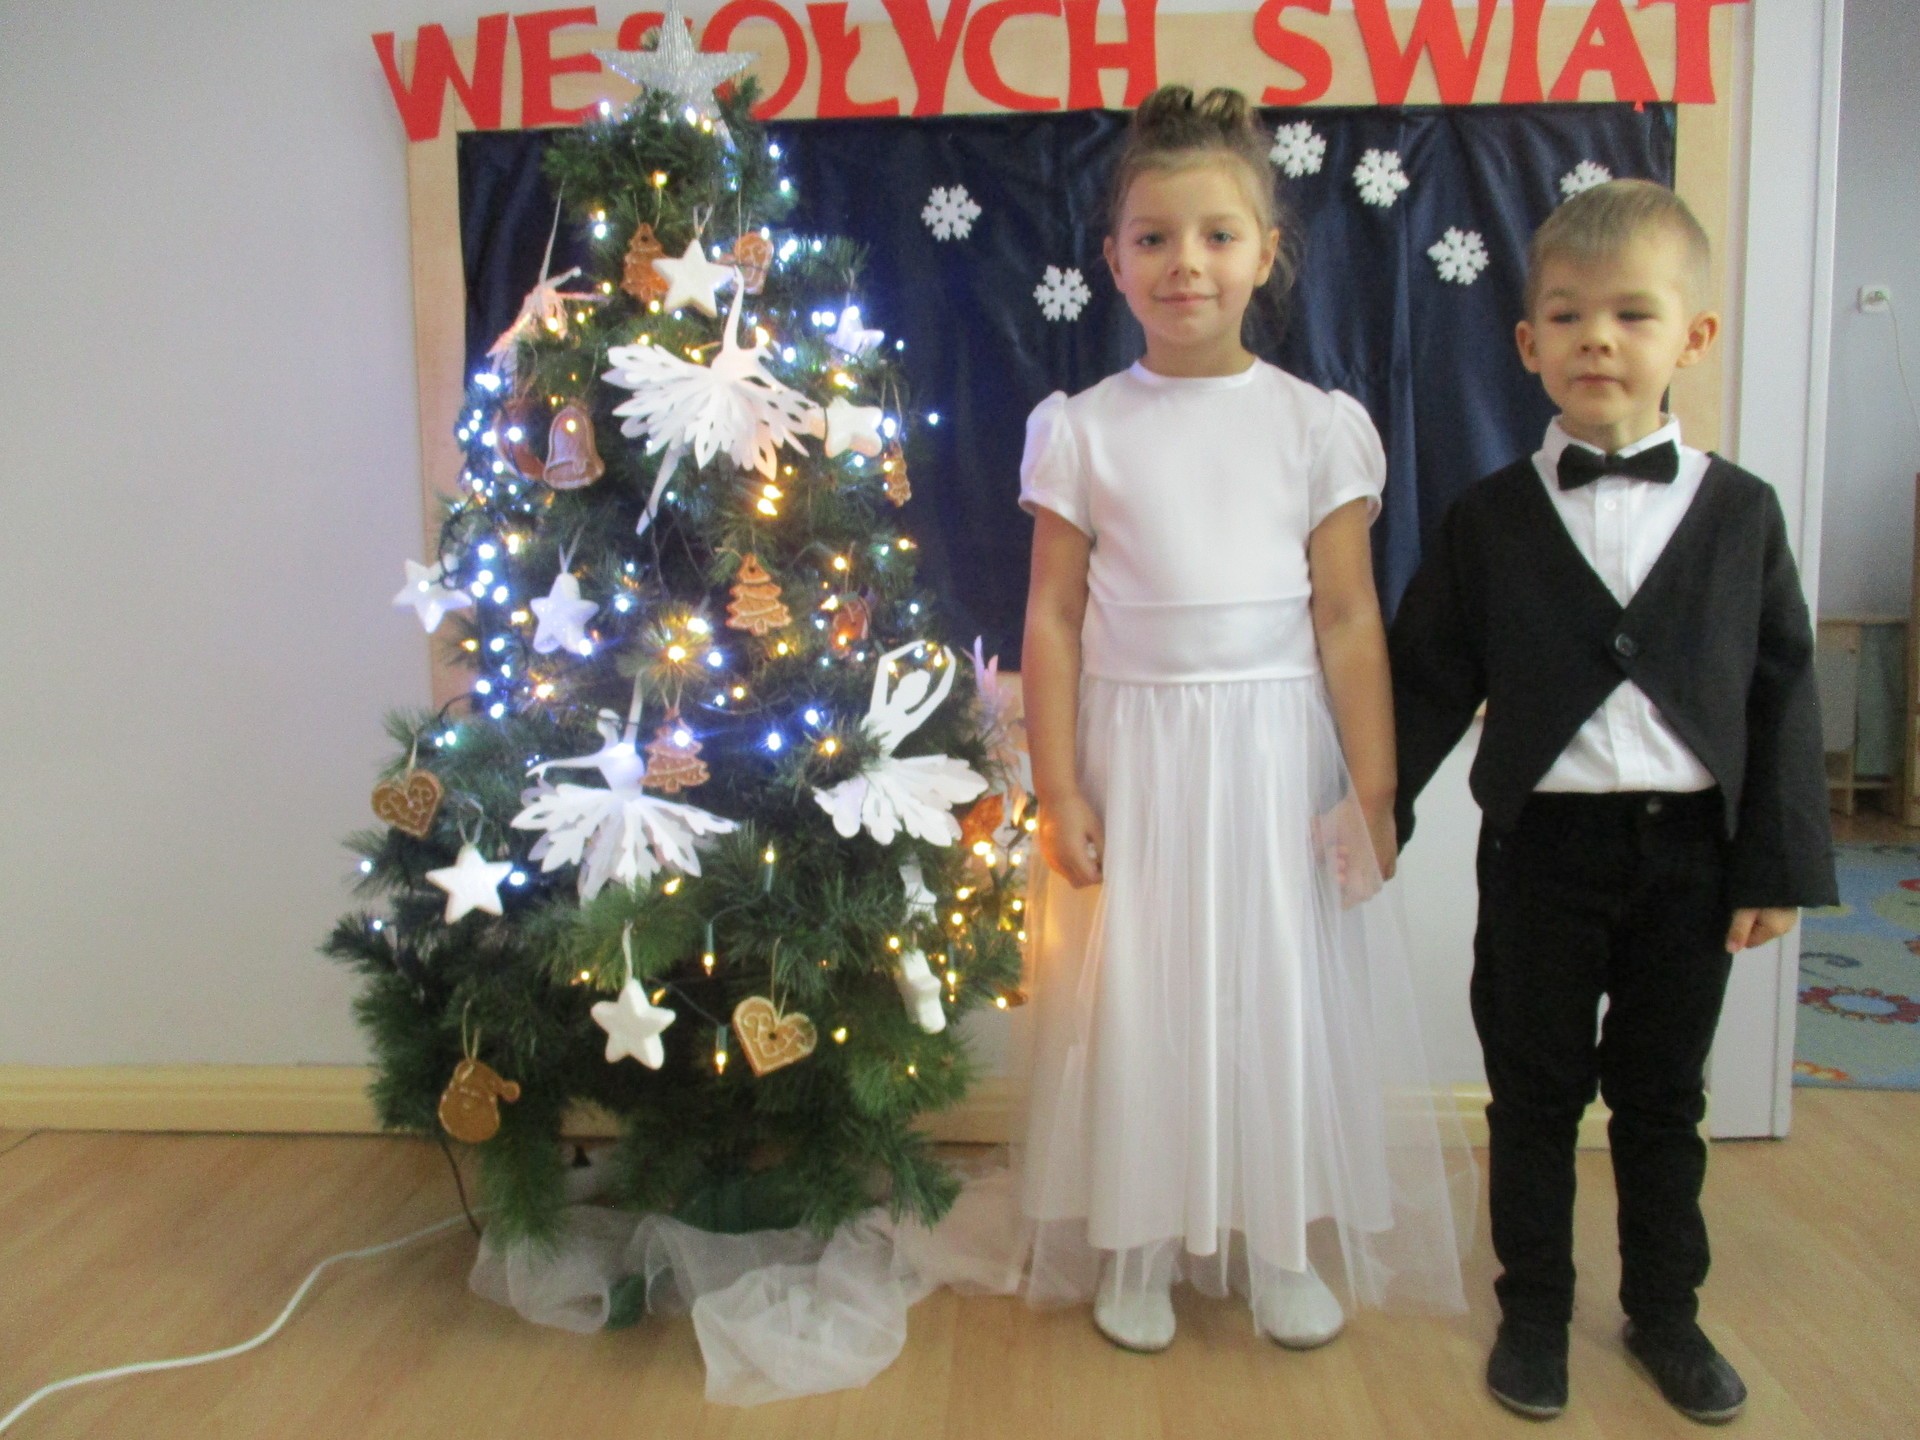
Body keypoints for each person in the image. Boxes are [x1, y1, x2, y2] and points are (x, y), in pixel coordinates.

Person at [1017, 84, 1469, 1356]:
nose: (1186, 263)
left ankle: (1278, 1243)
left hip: (1274, 759)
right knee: (1141, 1000)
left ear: (1267, 252)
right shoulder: (1083, 431)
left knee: (1273, 995)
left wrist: (1372, 792)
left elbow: (1349, 620)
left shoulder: (1316, 427)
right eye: (1154, 237)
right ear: (1113, 259)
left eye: (1218, 235)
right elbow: (1052, 617)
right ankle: (1139, 1243)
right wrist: (1060, 788)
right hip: (1137, 760)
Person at [1390, 179, 1836, 1424]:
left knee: (1662, 1099)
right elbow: (1425, 678)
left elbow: (1782, 690)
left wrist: (1774, 865)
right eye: (1568, 315)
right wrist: (1375, 811)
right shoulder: (1487, 520)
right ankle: (1534, 1313)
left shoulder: (1743, 514)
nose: (1598, 339)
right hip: (1541, 854)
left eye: (1633, 314)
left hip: (1691, 861)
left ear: (1693, 337)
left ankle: (1666, 1314)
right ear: (1527, 341)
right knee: (1533, 1096)